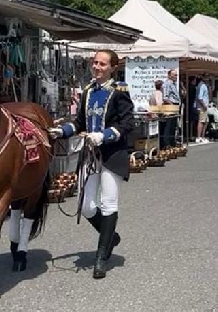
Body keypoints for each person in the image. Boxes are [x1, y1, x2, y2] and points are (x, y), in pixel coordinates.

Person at [48, 49, 134, 279]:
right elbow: (79, 122)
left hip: (112, 154)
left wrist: (104, 135)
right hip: (89, 154)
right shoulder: (88, 91)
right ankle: (110, 236)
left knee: (108, 203)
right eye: (95, 63)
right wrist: (62, 131)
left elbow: (127, 123)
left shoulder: (119, 91)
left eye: (102, 64)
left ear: (112, 67)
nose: (96, 67)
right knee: (85, 206)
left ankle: (101, 257)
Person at [162, 69, 180, 148]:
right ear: (169, 76)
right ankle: (167, 143)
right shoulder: (167, 84)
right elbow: (165, 97)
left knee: (173, 125)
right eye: (175, 75)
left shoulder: (173, 84)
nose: (176, 77)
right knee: (169, 125)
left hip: (175, 105)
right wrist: (171, 104)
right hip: (170, 105)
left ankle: (172, 142)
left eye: (176, 75)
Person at [195, 75, 210, 143]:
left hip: (202, 106)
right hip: (202, 106)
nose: (208, 79)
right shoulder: (202, 86)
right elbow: (200, 97)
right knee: (201, 121)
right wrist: (204, 106)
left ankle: (202, 136)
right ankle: (199, 137)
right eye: (207, 77)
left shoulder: (201, 85)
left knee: (205, 121)